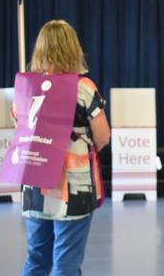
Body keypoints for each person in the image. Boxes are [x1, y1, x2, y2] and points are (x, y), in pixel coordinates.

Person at [15, 20, 110, 276]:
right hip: (73, 188)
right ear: (72, 48)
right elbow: (102, 137)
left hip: (35, 184)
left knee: (36, 258)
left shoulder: (27, 87)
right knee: (66, 262)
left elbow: (19, 126)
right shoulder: (83, 88)